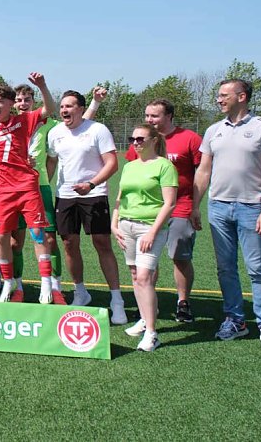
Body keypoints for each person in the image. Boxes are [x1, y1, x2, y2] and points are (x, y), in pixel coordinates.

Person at [192, 79, 261, 350]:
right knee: (225, 267)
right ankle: (235, 320)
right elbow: (203, 171)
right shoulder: (213, 130)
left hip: (252, 207)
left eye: (223, 95)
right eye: (218, 95)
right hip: (218, 207)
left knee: (257, 269)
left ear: (242, 96)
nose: (218, 99)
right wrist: (195, 205)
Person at [0, 75, 56, 304]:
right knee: (2, 237)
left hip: (26, 188)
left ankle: (46, 281)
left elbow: (49, 108)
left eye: (0, 101)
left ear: (11, 104)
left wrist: (42, 86)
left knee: (37, 233)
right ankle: (7, 282)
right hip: (3, 192)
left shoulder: (24, 120)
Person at [46, 90, 127, 324]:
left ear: (81, 108)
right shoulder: (55, 133)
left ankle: (117, 300)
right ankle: (80, 292)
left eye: (70, 106)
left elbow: (112, 163)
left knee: (102, 244)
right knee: (69, 244)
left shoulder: (97, 130)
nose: (64, 110)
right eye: (62, 106)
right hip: (65, 196)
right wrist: (42, 186)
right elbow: (52, 161)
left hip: (94, 194)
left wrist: (92, 184)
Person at [124, 99, 202, 322]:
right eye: (147, 115)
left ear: (169, 116)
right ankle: (149, 305)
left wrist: (195, 206)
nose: (149, 120)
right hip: (147, 211)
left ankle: (183, 301)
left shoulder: (190, 138)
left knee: (179, 256)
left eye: (154, 116)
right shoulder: (140, 143)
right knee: (148, 261)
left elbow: (202, 174)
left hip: (179, 206)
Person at [112, 124, 177, 351]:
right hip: (126, 226)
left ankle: (152, 332)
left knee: (144, 277)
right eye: (133, 139)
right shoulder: (129, 166)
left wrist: (152, 231)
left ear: (153, 140)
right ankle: (143, 319)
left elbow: (169, 203)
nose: (135, 143)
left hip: (151, 228)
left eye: (140, 139)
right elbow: (120, 198)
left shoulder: (164, 166)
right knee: (134, 275)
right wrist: (114, 223)